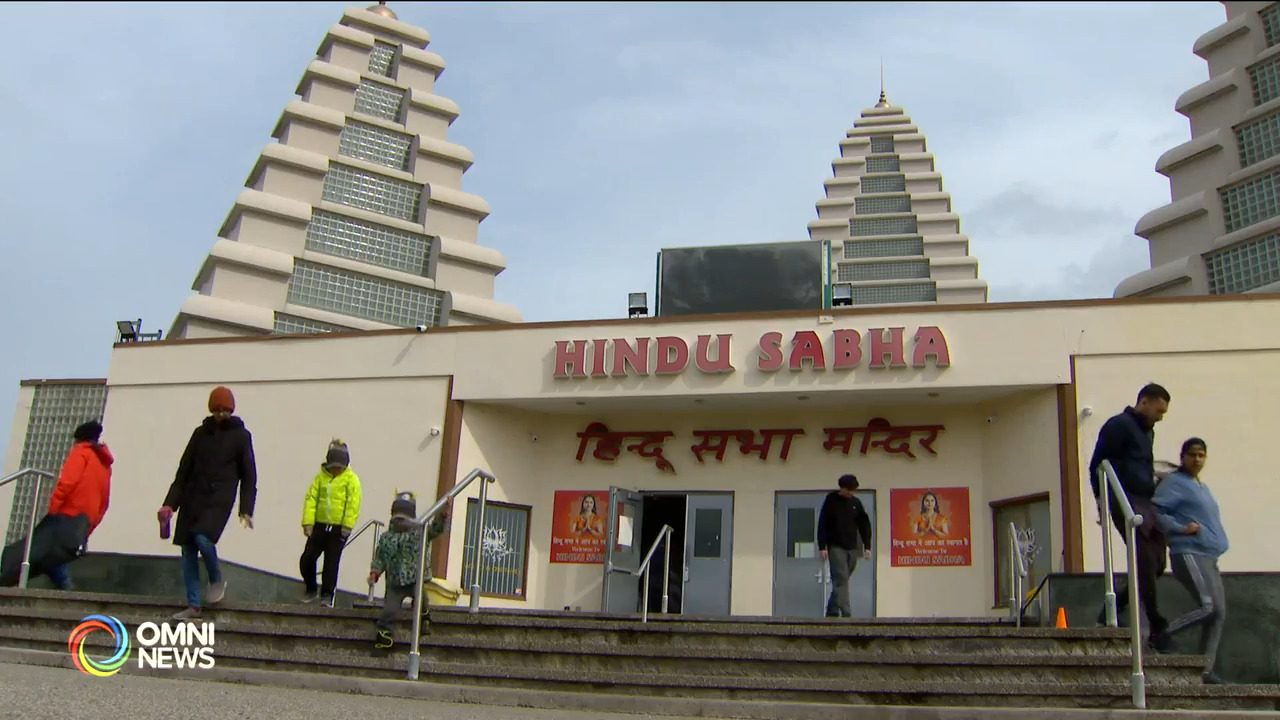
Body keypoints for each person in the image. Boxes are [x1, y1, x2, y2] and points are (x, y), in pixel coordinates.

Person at [160, 386, 258, 620]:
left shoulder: (241, 436)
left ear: (232, 410)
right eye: (217, 410)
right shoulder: (199, 434)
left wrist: (246, 509)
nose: (221, 414)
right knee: (187, 548)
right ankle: (194, 605)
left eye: (225, 410)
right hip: (193, 496)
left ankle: (216, 579)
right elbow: (183, 471)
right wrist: (170, 505)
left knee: (202, 537)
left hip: (219, 498)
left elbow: (249, 475)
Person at [1088, 382, 1171, 650]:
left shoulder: (1148, 432)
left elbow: (1142, 464)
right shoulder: (1118, 426)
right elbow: (1097, 464)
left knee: (1156, 563)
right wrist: (1101, 501)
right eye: (1158, 411)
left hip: (1146, 500)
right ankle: (1157, 624)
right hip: (1125, 500)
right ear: (1144, 402)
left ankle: (1112, 608)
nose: (1159, 417)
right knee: (1144, 557)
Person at [1151, 438, 1229, 684]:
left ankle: (1204, 670)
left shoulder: (1200, 487)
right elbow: (1156, 512)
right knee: (1208, 607)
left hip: (1209, 555)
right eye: (1192, 455)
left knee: (1218, 614)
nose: (1197, 459)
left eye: (1201, 455)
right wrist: (1181, 528)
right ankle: (1161, 635)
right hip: (1189, 552)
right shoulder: (1174, 483)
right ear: (1183, 457)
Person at [368, 491, 448, 654]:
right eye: (398, 518)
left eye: (405, 518)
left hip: (414, 579)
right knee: (389, 610)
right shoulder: (386, 538)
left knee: (421, 599)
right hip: (395, 582)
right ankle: (384, 635)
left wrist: (442, 516)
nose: (401, 522)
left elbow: (436, 530)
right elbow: (380, 557)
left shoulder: (419, 533)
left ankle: (424, 618)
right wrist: (375, 572)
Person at [44, 420, 114, 591]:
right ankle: (62, 586)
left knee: (50, 551)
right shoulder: (103, 463)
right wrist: (93, 521)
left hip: (69, 512)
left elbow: (67, 483)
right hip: (87, 516)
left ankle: (65, 585)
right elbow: (104, 498)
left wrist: (53, 509)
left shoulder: (81, 453)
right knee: (62, 551)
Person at [299, 439, 362, 607]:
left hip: (338, 529)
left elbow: (352, 504)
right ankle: (311, 587)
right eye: (335, 466)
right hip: (320, 526)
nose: (337, 470)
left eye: (341, 467)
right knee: (307, 558)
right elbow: (311, 499)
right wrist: (308, 522)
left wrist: (347, 526)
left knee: (331, 563)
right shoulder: (320, 479)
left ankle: (327, 595)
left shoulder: (351, 480)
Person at [817, 473, 873, 618]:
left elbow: (864, 524)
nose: (851, 493)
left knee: (843, 580)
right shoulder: (831, 501)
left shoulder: (856, 503)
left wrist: (867, 546)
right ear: (842, 488)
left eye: (853, 490)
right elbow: (823, 523)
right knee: (841, 577)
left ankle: (832, 610)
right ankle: (846, 612)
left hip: (852, 547)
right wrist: (822, 546)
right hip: (836, 546)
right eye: (849, 490)